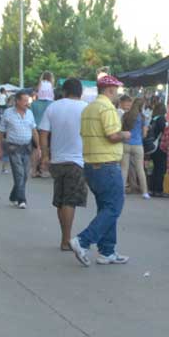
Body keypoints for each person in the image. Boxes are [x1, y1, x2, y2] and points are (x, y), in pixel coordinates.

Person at [69, 75, 132, 266]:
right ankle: (83, 241)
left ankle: (108, 251)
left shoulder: (88, 108)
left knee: (106, 208)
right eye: (117, 91)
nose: (118, 95)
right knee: (114, 207)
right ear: (110, 90)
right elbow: (112, 135)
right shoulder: (107, 108)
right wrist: (125, 134)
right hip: (107, 165)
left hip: (91, 165)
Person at [39, 78, 90, 250]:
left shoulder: (53, 107)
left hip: (57, 160)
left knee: (60, 200)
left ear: (64, 91)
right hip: (77, 161)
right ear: (80, 91)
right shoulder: (85, 108)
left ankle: (64, 237)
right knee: (69, 201)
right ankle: (66, 240)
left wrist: (45, 155)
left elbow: (43, 133)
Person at [0, 90, 38, 208]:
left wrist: (38, 148)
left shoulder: (30, 113)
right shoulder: (8, 113)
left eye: (27, 101)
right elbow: (1, 131)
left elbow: (34, 131)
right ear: (17, 101)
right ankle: (21, 199)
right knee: (19, 174)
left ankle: (14, 195)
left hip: (27, 148)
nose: (27, 103)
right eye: (24, 101)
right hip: (13, 148)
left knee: (25, 175)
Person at [120, 97, 149, 198]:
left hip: (126, 144)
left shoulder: (126, 115)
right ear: (142, 106)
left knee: (124, 169)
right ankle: (144, 192)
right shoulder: (143, 117)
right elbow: (145, 134)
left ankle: (122, 192)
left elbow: (121, 128)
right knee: (140, 169)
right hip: (138, 145)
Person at [146, 102, 168, 197]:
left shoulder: (152, 119)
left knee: (154, 168)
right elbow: (165, 131)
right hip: (160, 146)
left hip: (152, 146)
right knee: (161, 168)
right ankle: (158, 190)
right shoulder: (161, 119)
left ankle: (151, 188)